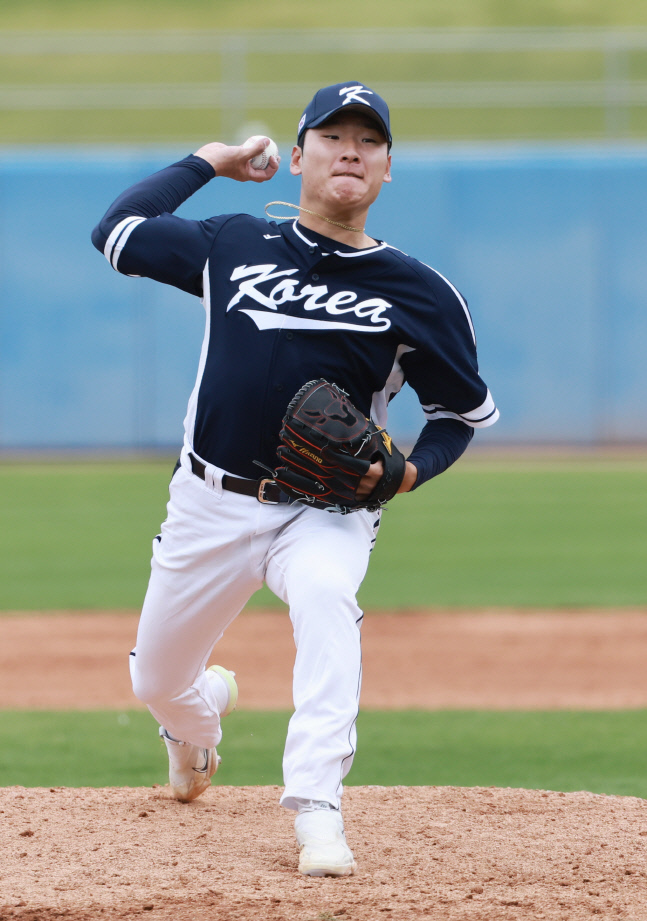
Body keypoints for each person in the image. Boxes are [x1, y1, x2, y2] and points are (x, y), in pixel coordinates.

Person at [91, 81, 498, 878]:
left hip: (326, 509)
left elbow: (461, 413)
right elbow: (118, 230)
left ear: (386, 170)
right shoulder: (233, 241)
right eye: (333, 136)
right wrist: (210, 160)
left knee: (323, 596)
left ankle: (317, 808)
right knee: (157, 679)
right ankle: (196, 728)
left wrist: (409, 472)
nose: (351, 149)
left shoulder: (419, 292)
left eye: (368, 141)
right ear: (299, 156)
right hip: (208, 502)